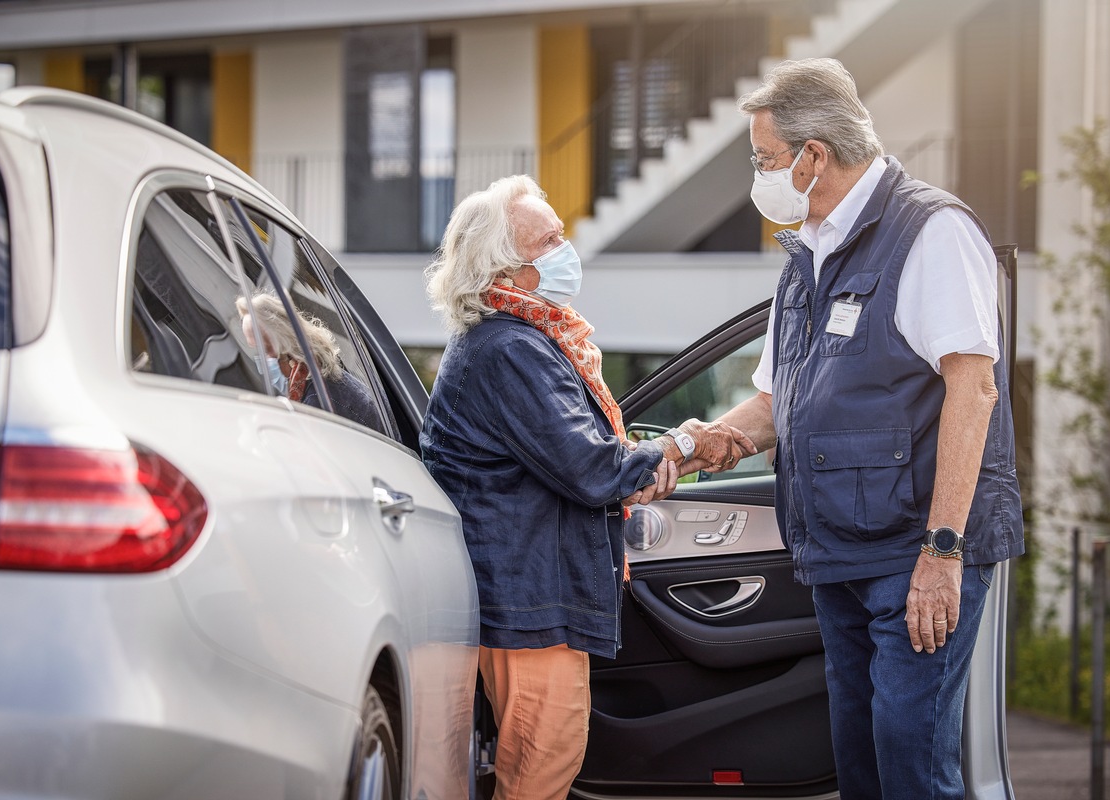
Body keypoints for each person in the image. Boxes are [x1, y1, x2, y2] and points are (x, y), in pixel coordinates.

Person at [714, 58, 1024, 800]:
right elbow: (775, 402)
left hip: (914, 551)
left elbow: (973, 390)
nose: (758, 175)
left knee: (910, 767)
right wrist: (689, 446)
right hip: (842, 558)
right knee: (860, 764)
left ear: (813, 156)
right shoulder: (809, 256)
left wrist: (942, 551)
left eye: (765, 160)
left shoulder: (929, 230)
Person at [420, 175, 751, 800]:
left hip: (529, 597)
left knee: (538, 767)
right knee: (539, 774)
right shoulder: (510, 349)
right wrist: (681, 444)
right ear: (511, 272)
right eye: (550, 241)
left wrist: (661, 452)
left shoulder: (515, 341)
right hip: (528, 604)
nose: (566, 249)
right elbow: (592, 468)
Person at [236, 292, 385, 432]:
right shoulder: (320, 380)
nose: (264, 361)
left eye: (267, 351)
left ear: (285, 345)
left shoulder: (318, 401)